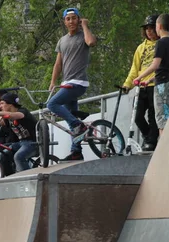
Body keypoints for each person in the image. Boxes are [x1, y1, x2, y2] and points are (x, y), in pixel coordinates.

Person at [47, 7, 97, 161]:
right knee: (71, 116)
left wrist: (85, 26)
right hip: (66, 83)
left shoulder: (83, 35)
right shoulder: (62, 40)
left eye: (74, 18)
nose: (71, 21)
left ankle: (79, 125)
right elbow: (58, 64)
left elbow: (91, 42)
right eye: (68, 19)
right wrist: (53, 81)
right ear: (64, 22)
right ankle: (76, 151)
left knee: (52, 104)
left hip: (79, 82)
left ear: (78, 19)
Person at [135, 14, 169, 136]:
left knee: (162, 118)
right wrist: (149, 80)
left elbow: (155, 65)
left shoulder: (161, 43)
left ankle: (164, 150)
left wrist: (139, 77)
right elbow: (168, 68)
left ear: (158, 26)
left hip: (162, 86)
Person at [122, 15, 161, 151]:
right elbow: (134, 68)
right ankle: (149, 137)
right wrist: (127, 84)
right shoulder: (141, 48)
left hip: (155, 84)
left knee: (153, 115)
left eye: (151, 28)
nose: (149, 31)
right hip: (141, 86)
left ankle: (152, 142)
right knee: (137, 116)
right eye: (146, 29)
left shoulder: (163, 43)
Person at [0, 92, 39, 172]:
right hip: (20, 143)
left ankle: (28, 177)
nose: (0, 106)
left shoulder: (23, 112)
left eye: (2, 103)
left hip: (33, 144)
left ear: (10, 105)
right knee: (1, 156)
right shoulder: (7, 118)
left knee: (18, 157)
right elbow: (1, 121)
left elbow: (16, 115)